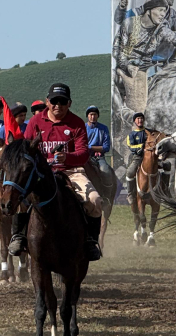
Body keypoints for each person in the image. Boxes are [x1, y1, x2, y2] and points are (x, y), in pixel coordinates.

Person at [10, 83, 105, 261]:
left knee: (95, 200)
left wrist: (66, 158)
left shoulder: (76, 123)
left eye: (62, 102)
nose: (57, 106)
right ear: (47, 102)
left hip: (71, 171)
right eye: (54, 101)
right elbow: (26, 149)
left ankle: (91, 241)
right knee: (18, 197)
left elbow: (83, 153)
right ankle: (18, 236)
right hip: (39, 173)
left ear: (69, 103)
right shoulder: (35, 122)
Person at [85, 106, 113, 175]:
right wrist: (97, 148)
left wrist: (90, 148)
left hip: (98, 157)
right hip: (84, 157)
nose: (93, 117)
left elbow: (106, 147)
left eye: (95, 114)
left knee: (106, 171)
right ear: (87, 116)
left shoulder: (103, 128)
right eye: (91, 114)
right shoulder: (82, 128)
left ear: (98, 116)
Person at [124, 111, 148, 190]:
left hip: (150, 155)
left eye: (141, 118)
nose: (140, 120)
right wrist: (140, 146)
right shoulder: (131, 135)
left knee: (167, 165)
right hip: (138, 156)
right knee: (130, 172)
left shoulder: (149, 132)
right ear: (135, 121)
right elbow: (131, 146)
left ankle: (165, 190)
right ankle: (130, 193)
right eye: (138, 118)